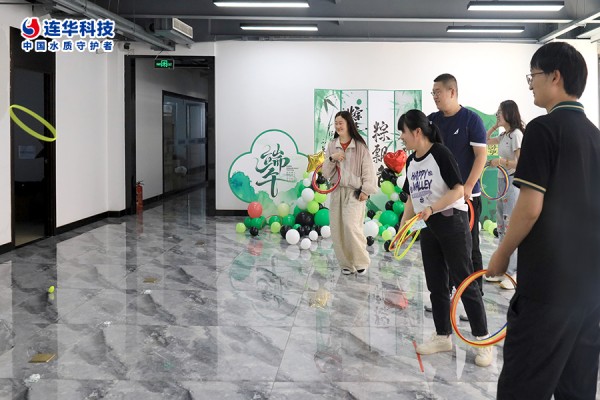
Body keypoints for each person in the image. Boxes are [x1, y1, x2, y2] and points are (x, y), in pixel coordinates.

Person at [487, 42, 600, 399]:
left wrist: (502, 253)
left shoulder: (543, 129)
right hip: (590, 290)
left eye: (533, 76)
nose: (530, 84)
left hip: (548, 287)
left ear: (555, 77)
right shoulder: (595, 136)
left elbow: (530, 207)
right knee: (577, 389)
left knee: (522, 386)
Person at [399, 109, 492, 368]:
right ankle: (443, 336)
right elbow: (411, 197)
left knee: (464, 281)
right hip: (428, 226)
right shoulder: (411, 161)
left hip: (452, 222)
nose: (402, 137)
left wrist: (432, 208)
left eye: (403, 132)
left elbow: (458, 190)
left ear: (417, 132)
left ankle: (483, 340)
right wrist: (403, 226)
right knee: (436, 284)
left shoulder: (440, 153)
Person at [428, 74, 488, 308]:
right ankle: (445, 296)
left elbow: (481, 156)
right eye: (433, 93)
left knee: (469, 248)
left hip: (466, 198)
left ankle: (474, 297)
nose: (434, 96)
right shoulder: (432, 121)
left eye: (438, 92)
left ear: (452, 92)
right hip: (440, 199)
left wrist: (469, 185)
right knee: (441, 247)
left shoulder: (471, 120)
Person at [322, 110, 377, 276]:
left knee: (351, 225)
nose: (338, 126)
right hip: (337, 191)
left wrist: (366, 190)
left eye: (341, 123)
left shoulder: (360, 146)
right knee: (337, 228)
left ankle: (361, 261)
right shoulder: (332, 145)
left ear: (348, 124)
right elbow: (326, 173)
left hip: (355, 192)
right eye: (336, 123)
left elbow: (368, 170)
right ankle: (345, 263)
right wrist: (332, 158)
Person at [483, 100, 524, 290]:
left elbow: (520, 163)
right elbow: (484, 140)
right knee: (501, 227)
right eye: (497, 112)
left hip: (512, 183)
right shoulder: (504, 135)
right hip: (501, 183)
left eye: (500, 112)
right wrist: (494, 126)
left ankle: (513, 272)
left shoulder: (516, 135)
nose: (497, 115)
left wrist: (501, 162)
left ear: (509, 113)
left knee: (510, 228)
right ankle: (502, 269)